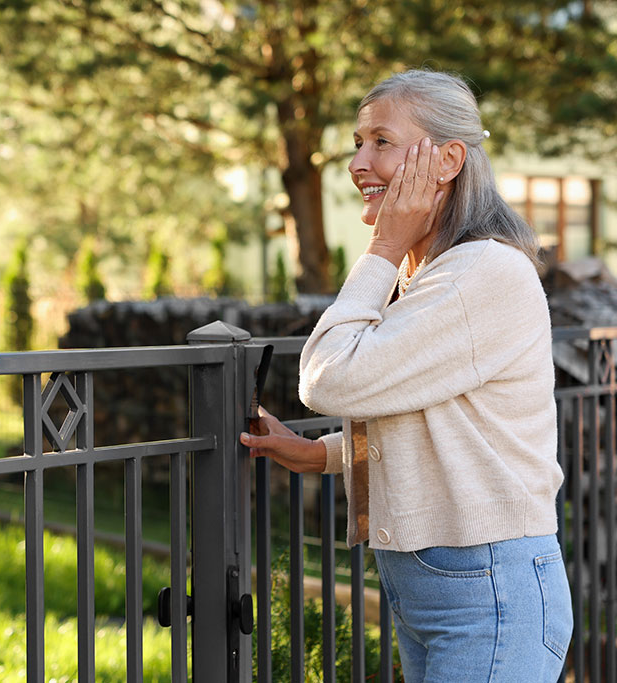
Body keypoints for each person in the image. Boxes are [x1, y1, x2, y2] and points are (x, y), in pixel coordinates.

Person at [240, 70, 573, 680]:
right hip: (439, 587)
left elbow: (327, 379)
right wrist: (322, 454)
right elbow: (447, 418)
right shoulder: (437, 273)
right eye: (357, 143)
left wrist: (384, 248)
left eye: (381, 142)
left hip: (487, 590)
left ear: (447, 160)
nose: (358, 162)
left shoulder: (479, 272)